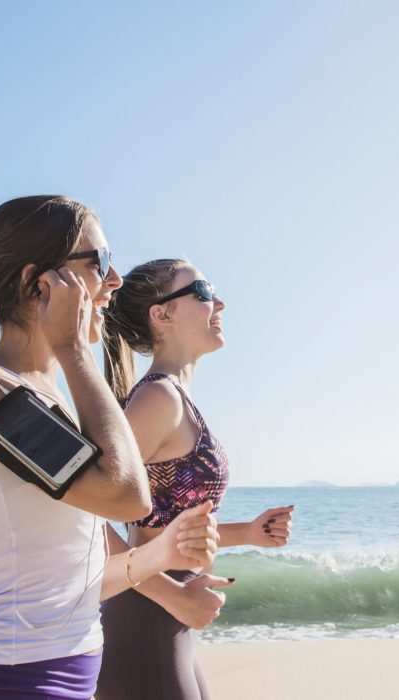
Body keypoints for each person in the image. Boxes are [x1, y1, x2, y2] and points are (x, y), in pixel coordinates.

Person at [0, 196, 222, 700]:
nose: (114, 282)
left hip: (68, 677)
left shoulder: (49, 400)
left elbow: (78, 579)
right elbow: (126, 497)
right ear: (40, 283)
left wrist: (165, 557)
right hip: (12, 682)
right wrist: (73, 349)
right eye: (101, 263)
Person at [96, 258, 295, 700]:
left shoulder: (174, 398)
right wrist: (170, 594)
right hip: (149, 615)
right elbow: (79, 516)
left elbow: (162, 527)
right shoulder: (158, 399)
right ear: (161, 314)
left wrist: (248, 533)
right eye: (203, 292)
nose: (219, 302)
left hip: (169, 624)